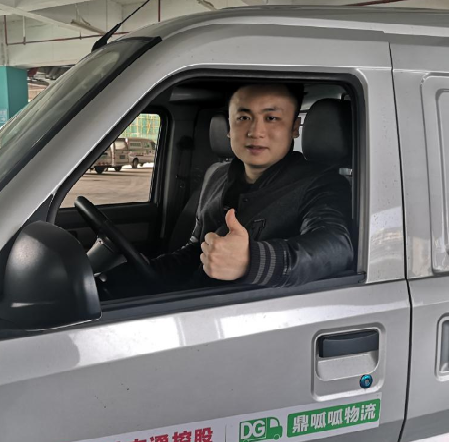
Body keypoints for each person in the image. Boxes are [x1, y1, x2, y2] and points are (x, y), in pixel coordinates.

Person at [109, 83, 353, 294]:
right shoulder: (217, 175)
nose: (256, 132)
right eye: (244, 118)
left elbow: (336, 247)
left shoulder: (322, 184)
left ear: (294, 127)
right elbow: (197, 252)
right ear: (228, 127)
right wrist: (132, 277)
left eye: (272, 118)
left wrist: (252, 261)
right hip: (195, 303)